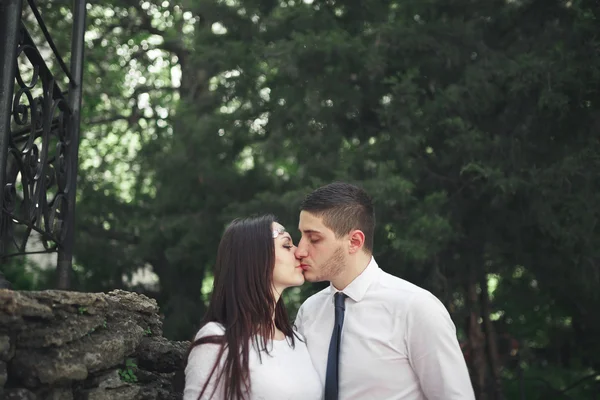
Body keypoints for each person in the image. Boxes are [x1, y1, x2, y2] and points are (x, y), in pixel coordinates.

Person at [294, 182, 475, 400]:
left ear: (354, 241)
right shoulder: (309, 312)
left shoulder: (416, 308)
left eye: (314, 238)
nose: (300, 250)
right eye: (301, 236)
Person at [184, 215, 322, 400]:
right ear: (256, 257)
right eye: (287, 245)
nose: (299, 252)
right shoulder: (218, 339)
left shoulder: (297, 340)